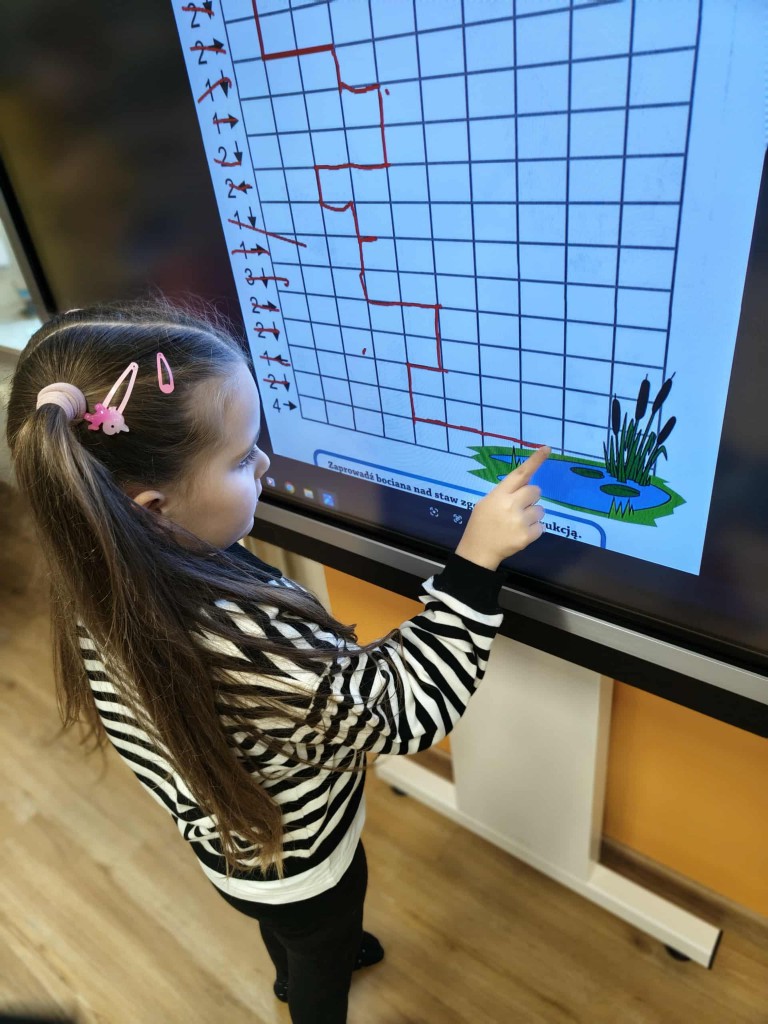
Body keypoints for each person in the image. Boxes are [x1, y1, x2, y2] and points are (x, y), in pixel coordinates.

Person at [6, 299, 549, 1024]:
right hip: (304, 868)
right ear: (154, 510)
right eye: (240, 458)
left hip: (236, 854)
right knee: (324, 946)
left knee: (292, 937)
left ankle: (295, 971)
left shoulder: (98, 577)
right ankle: (310, 990)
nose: (264, 463)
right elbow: (403, 707)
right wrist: (476, 561)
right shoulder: (237, 647)